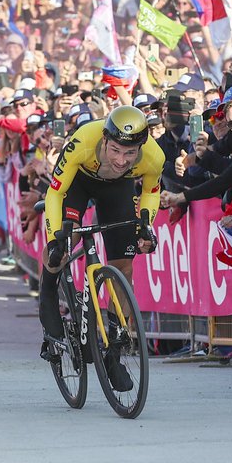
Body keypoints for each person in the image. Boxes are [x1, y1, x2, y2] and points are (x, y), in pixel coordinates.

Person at [39, 106, 164, 391]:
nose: (121, 160)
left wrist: (146, 225)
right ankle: (47, 291)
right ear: (105, 140)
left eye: (130, 154)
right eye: (116, 150)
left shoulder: (155, 156)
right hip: (77, 184)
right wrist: (53, 238)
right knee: (60, 250)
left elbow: (150, 192)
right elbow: (55, 193)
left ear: (141, 147)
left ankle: (115, 351)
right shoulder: (83, 140)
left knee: (123, 266)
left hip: (117, 190)